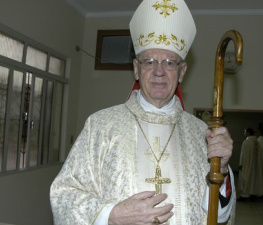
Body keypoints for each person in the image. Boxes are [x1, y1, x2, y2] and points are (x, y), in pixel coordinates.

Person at [50, 0, 236, 224]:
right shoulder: (100, 126)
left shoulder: (202, 135)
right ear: (136, 69)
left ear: (182, 72)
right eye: (149, 61)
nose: (159, 71)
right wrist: (113, 214)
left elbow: (219, 216)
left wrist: (222, 169)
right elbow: (63, 196)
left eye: (169, 62)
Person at [238, 128, 258, 200]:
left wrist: (241, 164)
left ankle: (244, 195)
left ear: (248, 133)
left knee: (245, 177)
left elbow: (243, 154)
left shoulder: (246, 142)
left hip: (246, 163)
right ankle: (252, 194)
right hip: (254, 164)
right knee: (253, 178)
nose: (244, 133)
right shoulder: (256, 141)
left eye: (245, 132)